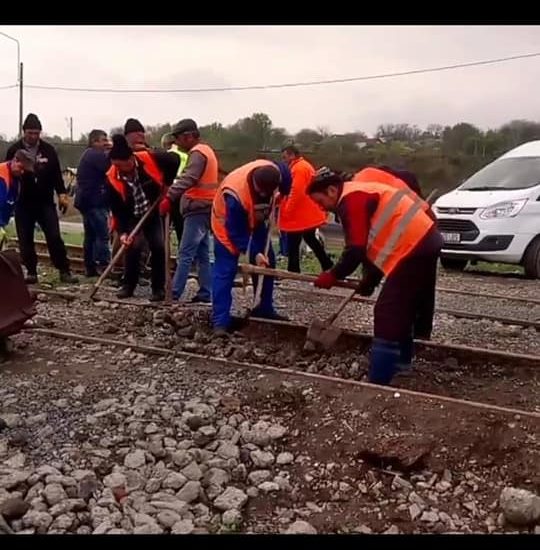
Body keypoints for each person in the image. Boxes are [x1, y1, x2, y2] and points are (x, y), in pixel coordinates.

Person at [307, 168, 442, 386]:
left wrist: (332, 274)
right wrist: (369, 281)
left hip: (413, 247)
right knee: (402, 308)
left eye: (320, 200)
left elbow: (356, 249)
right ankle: (401, 366)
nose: (320, 207)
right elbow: (376, 244)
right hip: (422, 241)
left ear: (332, 190)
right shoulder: (357, 192)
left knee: (387, 311)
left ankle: (379, 380)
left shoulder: (351, 199)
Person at [211, 159, 289, 336]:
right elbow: (236, 232)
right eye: (261, 191)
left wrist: (284, 192)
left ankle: (263, 308)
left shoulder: (277, 172)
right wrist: (254, 254)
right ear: (255, 183)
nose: (264, 194)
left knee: (267, 263)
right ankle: (220, 322)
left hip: (257, 219)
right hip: (227, 225)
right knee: (226, 270)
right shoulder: (235, 194)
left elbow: (287, 174)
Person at [5, 113, 78, 284]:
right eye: (30, 133)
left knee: (54, 236)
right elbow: (7, 175)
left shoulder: (48, 150)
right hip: (23, 202)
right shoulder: (14, 150)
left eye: (36, 133)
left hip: (45, 201)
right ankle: (31, 271)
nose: (33, 136)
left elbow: (55, 174)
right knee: (25, 239)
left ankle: (64, 270)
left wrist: (62, 193)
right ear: (24, 132)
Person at [106, 134, 179, 301]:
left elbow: (174, 160)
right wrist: (123, 232)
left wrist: (166, 186)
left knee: (159, 246)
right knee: (133, 246)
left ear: (132, 158)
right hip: (131, 215)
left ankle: (158, 288)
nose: (122, 169)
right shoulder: (111, 177)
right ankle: (128, 286)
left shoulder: (149, 158)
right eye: (117, 165)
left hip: (152, 210)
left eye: (124, 165)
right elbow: (117, 209)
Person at [159, 119, 219, 304]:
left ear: (189, 136)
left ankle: (174, 293)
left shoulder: (198, 154)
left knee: (185, 253)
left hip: (197, 208)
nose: (177, 143)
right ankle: (206, 292)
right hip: (206, 207)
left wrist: (169, 196)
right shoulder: (207, 150)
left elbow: (189, 178)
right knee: (202, 254)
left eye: (178, 139)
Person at [279, 145, 333, 273]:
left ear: (292, 155)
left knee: (293, 243)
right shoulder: (303, 166)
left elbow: (296, 191)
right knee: (310, 238)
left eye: (285, 157)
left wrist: (287, 210)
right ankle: (327, 264)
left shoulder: (299, 169)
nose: (284, 160)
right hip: (306, 212)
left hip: (300, 214)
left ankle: (293, 271)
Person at [74, 129, 112, 277]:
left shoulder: (88, 155)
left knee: (90, 235)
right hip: (94, 201)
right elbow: (110, 168)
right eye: (103, 140)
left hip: (86, 200)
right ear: (95, 141)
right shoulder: (95, 155)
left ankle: (90, 267)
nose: (106, 143)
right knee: (102, 235)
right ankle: (104, 266)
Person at [0, 151, 35, 249]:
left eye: (24, 170)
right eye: (21, 168)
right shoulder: (1, 175)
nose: (22, 172)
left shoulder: (16, 179)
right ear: (14, 161)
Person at [160, 132, 188, 245]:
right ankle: (183, 257)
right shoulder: (186, 156)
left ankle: (161, 254)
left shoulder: (165, 156)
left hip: (169, 192)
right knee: (181, 226)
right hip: (182, 192)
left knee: (163, 227)